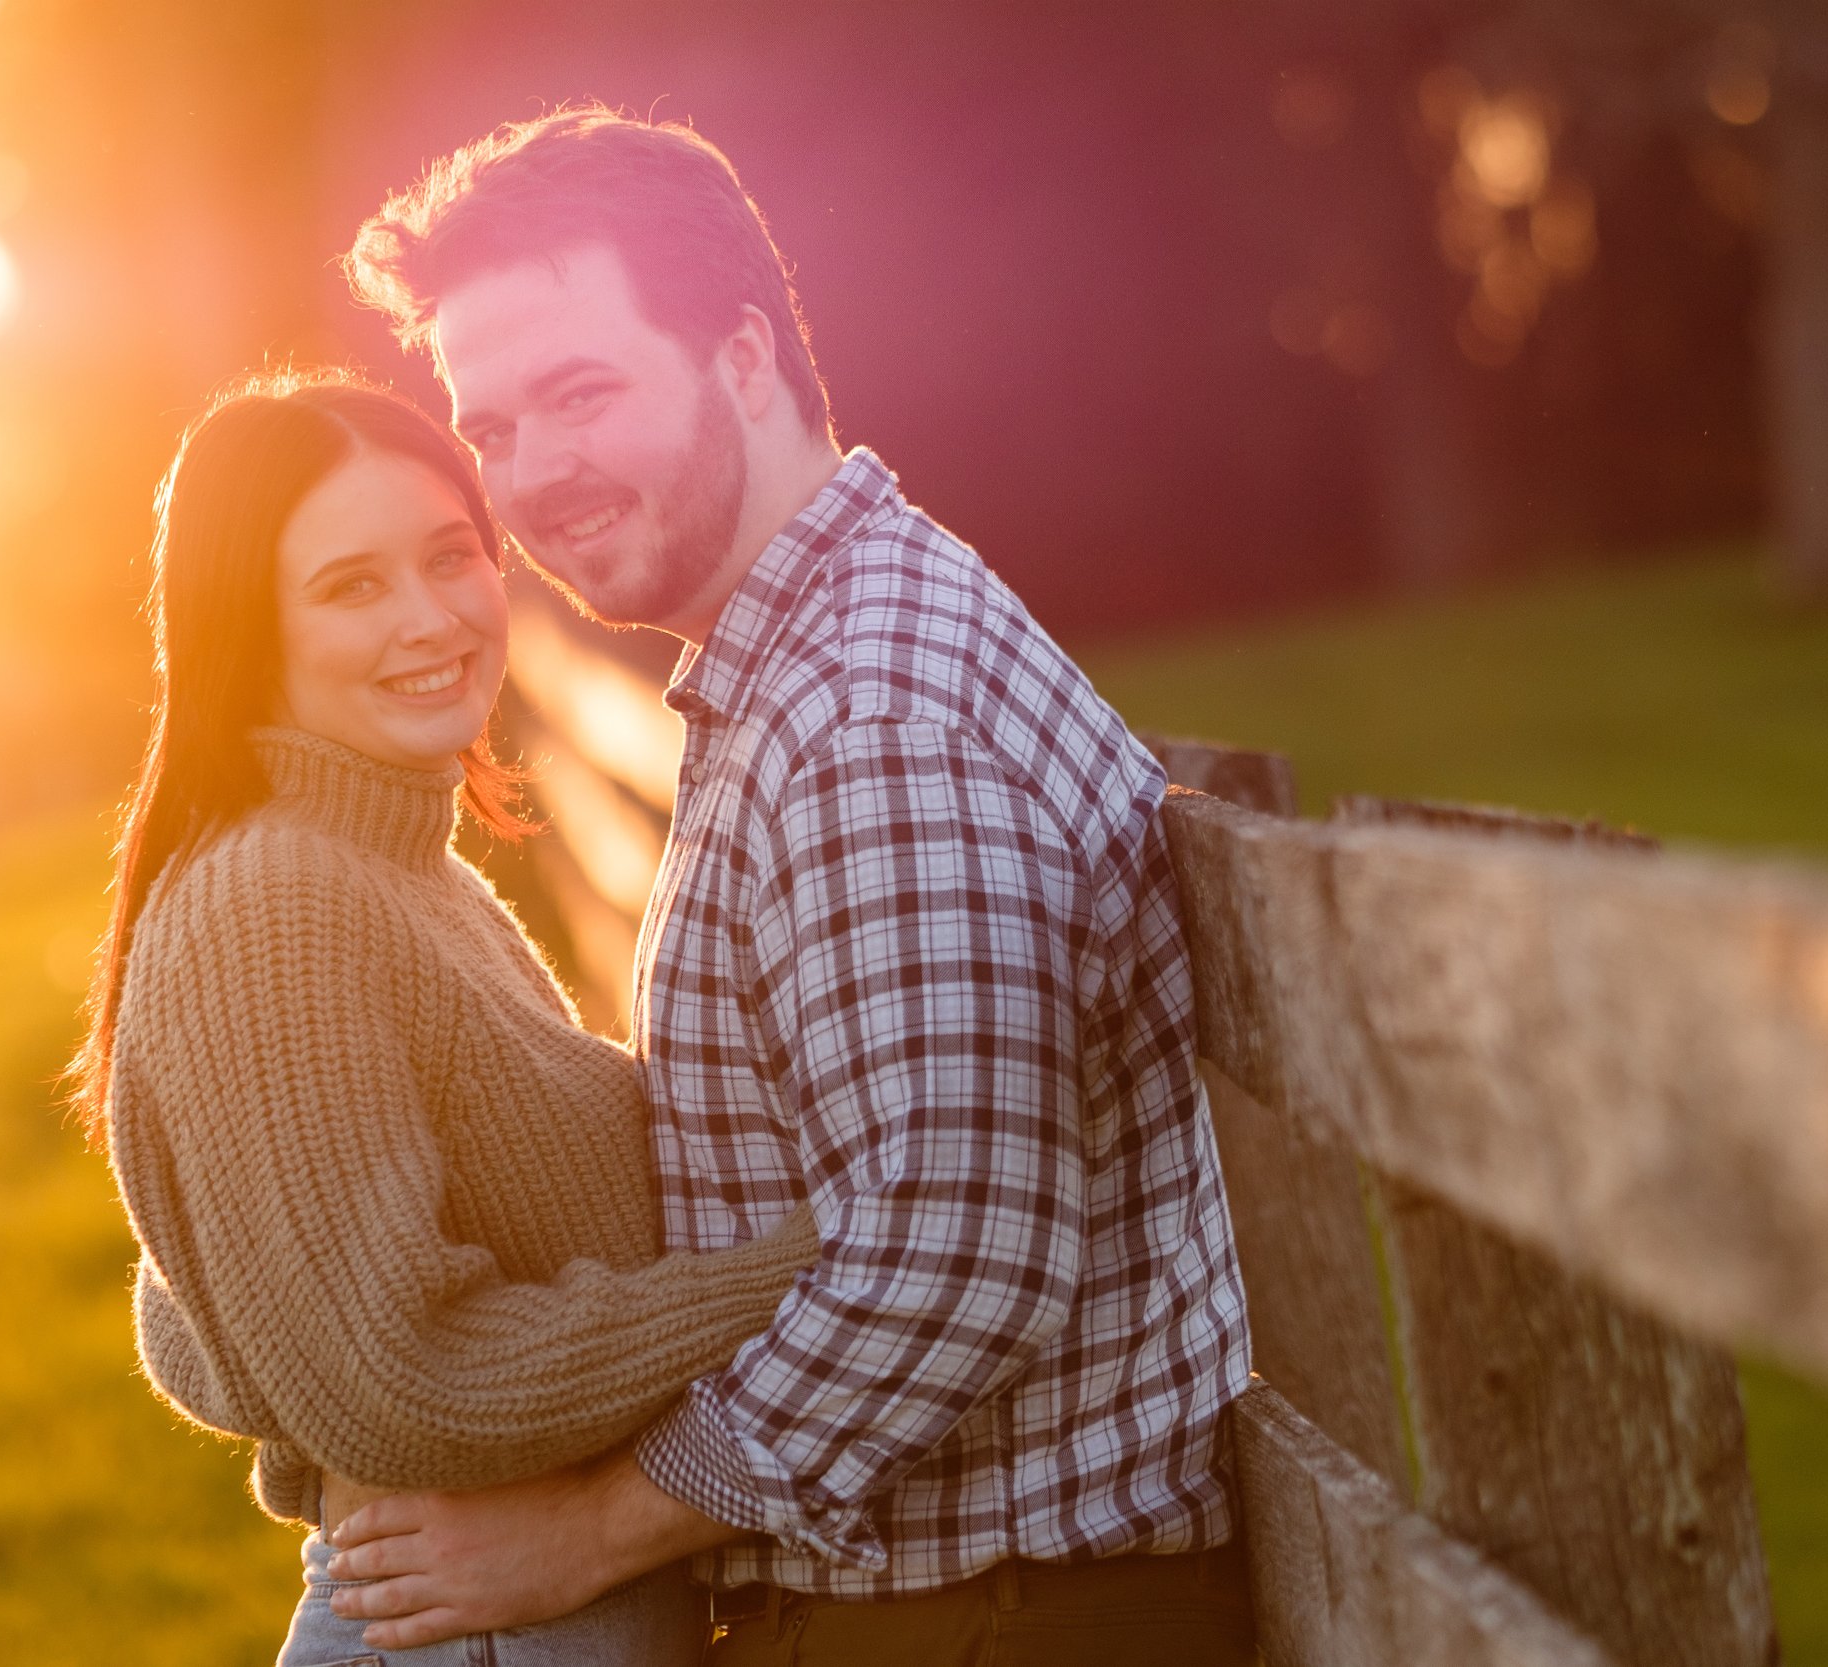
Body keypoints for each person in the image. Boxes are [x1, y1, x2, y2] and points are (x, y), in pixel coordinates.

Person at [319, 110, 1257, 1666]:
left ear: (742, 359)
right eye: (491, 429)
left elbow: (954, 1256)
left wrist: (588, 1533)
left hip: (995, 1623)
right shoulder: (798, 669)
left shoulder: (866, 719)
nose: (532, 474)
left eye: (580, 392)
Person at [69, 369, 818, 1666]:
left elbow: (240, 1297)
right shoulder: (276, 902)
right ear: (248, 624)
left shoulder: (407, 881)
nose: (430, 617)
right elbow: (400, 1383)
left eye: (451, 556)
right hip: (473, 1637)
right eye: (350, 585)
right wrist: (824, 1266)